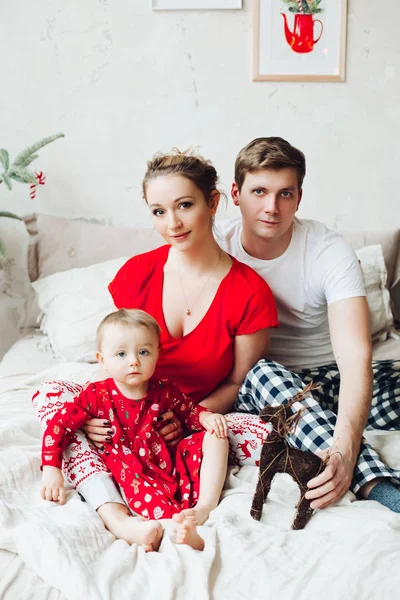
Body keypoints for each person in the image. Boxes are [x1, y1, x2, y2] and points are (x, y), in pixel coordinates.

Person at [32, 149, 279, 544]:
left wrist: (185, 420)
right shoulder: (137, 274)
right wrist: (103, 412)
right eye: (158, 211)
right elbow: (119, 352)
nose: (173, 223)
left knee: (260, 433)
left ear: (213, 203)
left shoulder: (251, 293)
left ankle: (198, 511)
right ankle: (117, 516)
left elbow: (237, 383)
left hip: (190, 418)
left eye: (184, 205)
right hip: (125, 412)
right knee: (51, 398)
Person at [215, 136, 400, 513]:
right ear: (235, 194)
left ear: (299, 197)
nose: (271, 207)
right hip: (264, 385)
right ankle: (383, 488)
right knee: (264, 371)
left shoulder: (327, 249)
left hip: (329, 378)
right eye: (259, 191)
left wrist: (347, 441)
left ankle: (329, 434)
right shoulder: (216, 247)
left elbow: (354, 354)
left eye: (285, 194)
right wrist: (342, 453)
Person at [40, 308, 229, 551]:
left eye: (143, 352)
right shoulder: (95, 396)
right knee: (157, 506)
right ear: (102, 359)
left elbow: (190, 411)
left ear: (157, 354)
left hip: (169, 463)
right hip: (134, 471)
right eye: (120, 353)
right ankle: (171, 533)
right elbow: (59, 426)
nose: (133, 361)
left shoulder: (163, 389)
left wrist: (206, 419)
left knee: (217, 434)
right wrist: (51, 468)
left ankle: (204, 508)